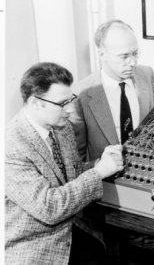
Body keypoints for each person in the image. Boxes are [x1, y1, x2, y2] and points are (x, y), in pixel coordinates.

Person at [5, 62, 124, 265]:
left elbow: (72, 173)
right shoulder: (11, 147)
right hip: (34, 245)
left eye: (71, 100)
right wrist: (98, 173)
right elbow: (49, 208)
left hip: (70, 227)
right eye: (62, 103)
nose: (70, 110)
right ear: (35, 103)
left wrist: (100, 163)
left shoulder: (62, 126)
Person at [73, 19, 154, 162]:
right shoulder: (81, 93)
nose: (133, 62)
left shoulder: (147, 74)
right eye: (124, 56)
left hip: (147, 168)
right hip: (107, 180)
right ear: (102, 55)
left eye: (135, 53)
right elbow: (78, 155)